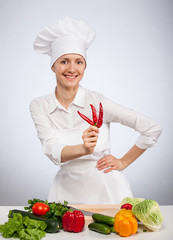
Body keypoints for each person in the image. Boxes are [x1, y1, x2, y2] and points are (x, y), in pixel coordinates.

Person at [30, 17, 162, 204]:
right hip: (64, 193)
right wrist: (84, 148)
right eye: (64, 61)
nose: (72, 69)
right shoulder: (39, 105)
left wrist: (123, 162)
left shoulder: (98, 102)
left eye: (79, 62)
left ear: (85, 66)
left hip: (108, 193)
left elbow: (152, 128)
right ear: (53, 65)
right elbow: (51, 150)